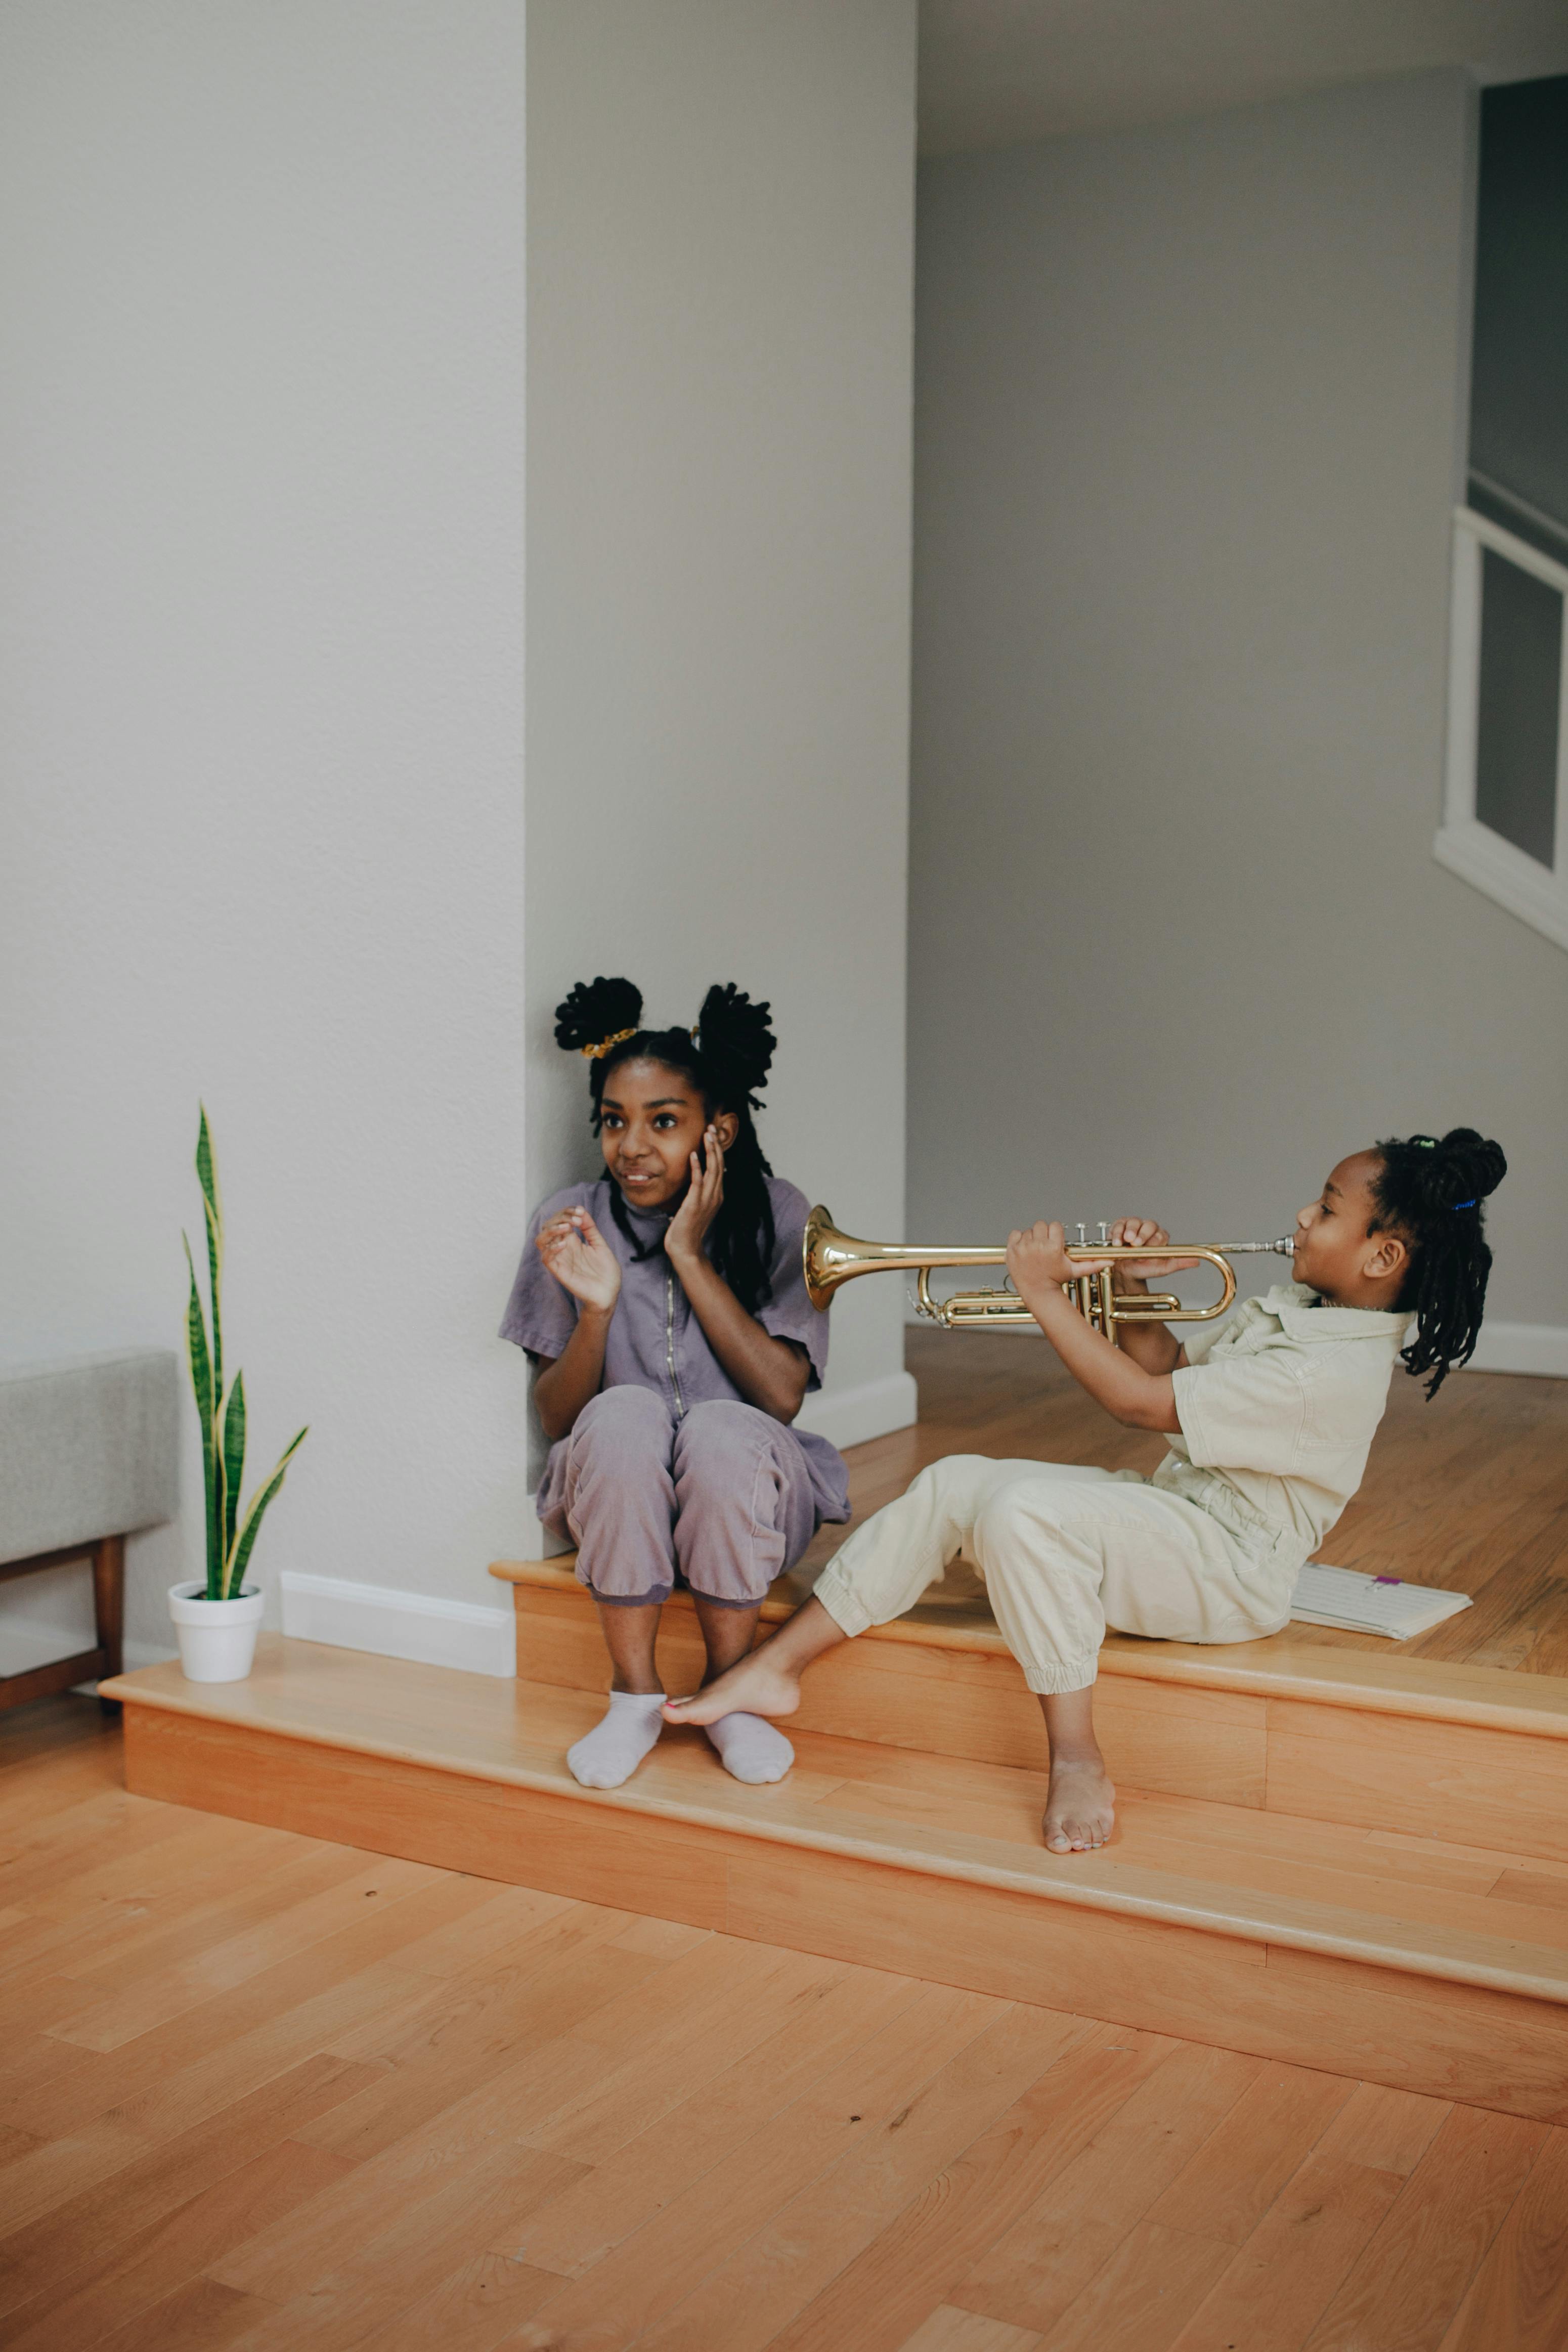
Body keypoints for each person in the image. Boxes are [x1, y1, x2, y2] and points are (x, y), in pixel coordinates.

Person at [667, 1128, 1507, 1854]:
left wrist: (1042, 1293)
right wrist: (1132, 1287)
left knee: (1021, 1513)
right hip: (1183, 1518)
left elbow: (1138, 1403)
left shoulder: (1329, 1371)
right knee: (955, 1479)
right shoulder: (1298, 1307)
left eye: (1324, 1210)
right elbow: (1173, 1375)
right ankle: (776, 1668)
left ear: (1382, 1256)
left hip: (1233, 1568)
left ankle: (1076, 1753)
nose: (1301, 1217)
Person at [500, 975, 848, 1791]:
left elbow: (781, 1396)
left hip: (750, 1490)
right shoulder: (572, 1220)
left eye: (664, 1121)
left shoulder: (781, 1213)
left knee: (720, 1428)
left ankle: (733, 1690)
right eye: (614, 1121)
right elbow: (559, 1419)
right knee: (624, 1411)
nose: (632, 1145)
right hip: (622, 1493)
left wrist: (690, 1256)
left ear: (717, 1128)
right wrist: (596, 1311)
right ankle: (632, 1696)